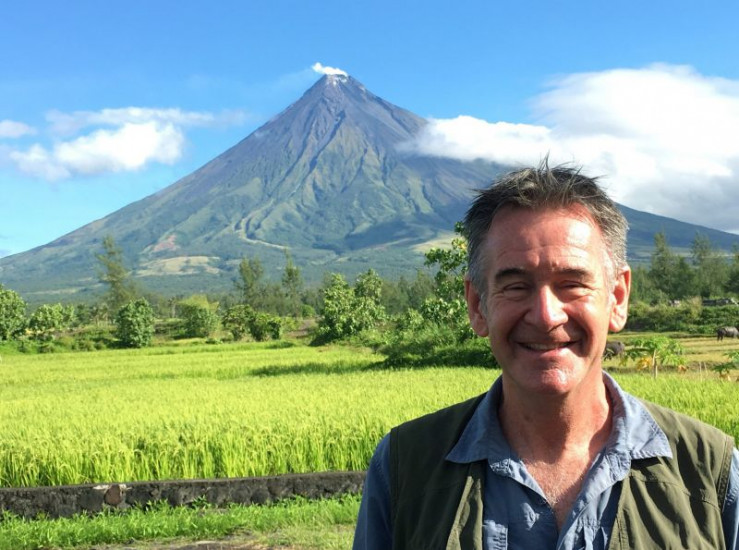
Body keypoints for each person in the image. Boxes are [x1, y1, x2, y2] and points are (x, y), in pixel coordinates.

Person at [353, 163, 739, 549]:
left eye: (572, 284)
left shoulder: (712, 473)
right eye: (516, 286)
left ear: (618, 298)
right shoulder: (405, 467)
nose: (546, 316)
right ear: (477, 305)